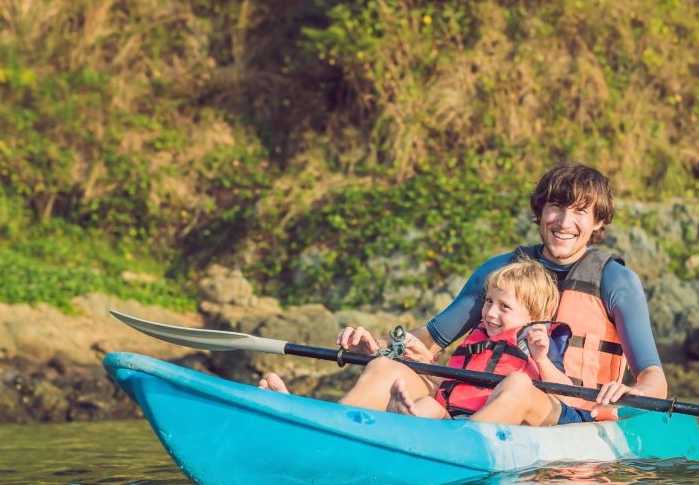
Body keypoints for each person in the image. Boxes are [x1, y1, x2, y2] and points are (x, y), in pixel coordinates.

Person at [261, 162, 668, 421]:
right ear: (540, 211)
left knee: (518, 386)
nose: (564, 221)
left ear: (597, 222)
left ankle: (438, 441)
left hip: (560, 406)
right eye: (556, 208)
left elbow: (654, 379)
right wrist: (377, 347)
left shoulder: (615, 282)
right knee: (385, 369)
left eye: (580, 211)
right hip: (470, 397)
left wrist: (631, 391)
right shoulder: (499, 272)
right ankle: (315, 426)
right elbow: (422, 346)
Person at [387, 258, 574, 426]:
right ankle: (403, 419)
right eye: (489, 301)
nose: (491, 313)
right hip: (454, 418)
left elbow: (565, 396)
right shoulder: (479, 338)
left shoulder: (537, 344)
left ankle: (449, 437)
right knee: (428, 405)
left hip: (496, 429)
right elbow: (452, 380)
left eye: (504, 307)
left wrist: (542, 360)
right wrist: (424, 362)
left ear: (533, 317)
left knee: (518, 383)